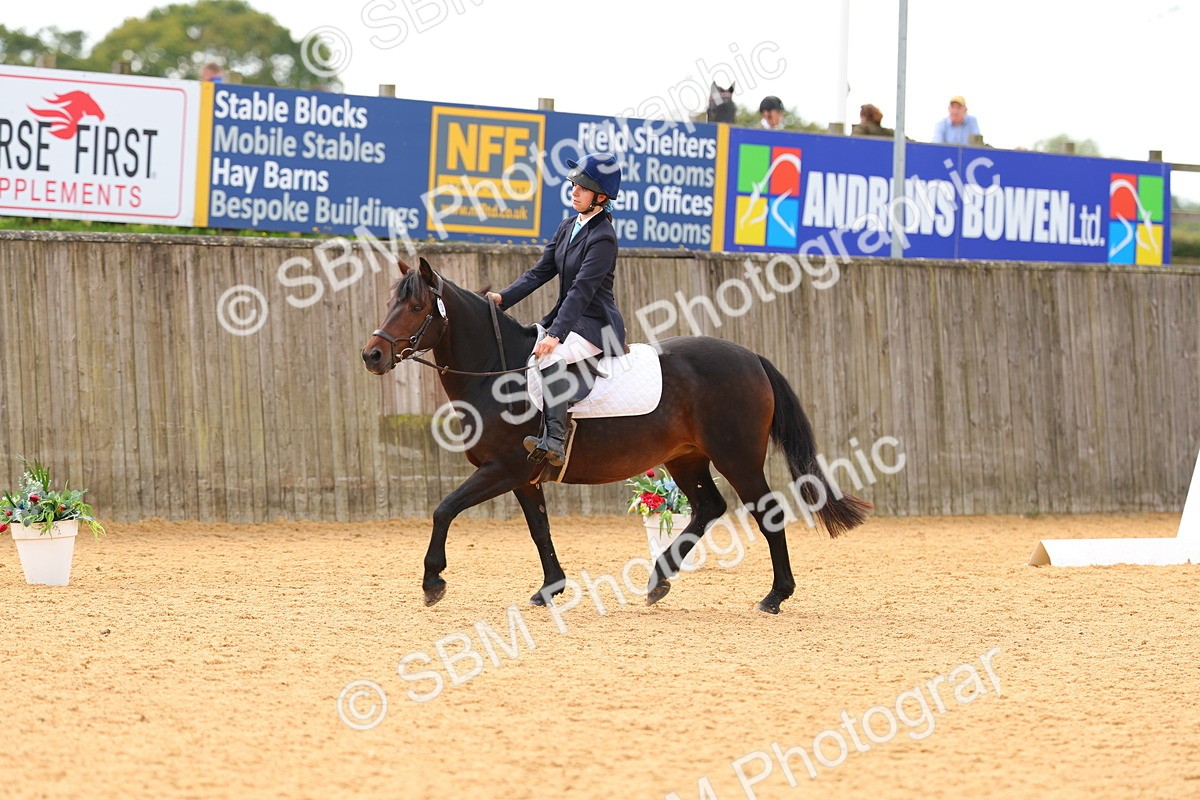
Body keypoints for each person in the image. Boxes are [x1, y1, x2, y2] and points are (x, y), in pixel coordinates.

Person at [486, 153, 626, 466]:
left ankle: (555, 440)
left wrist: (556, 335)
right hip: (571, 320)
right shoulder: (568, 226)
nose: (574, 190)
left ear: (600, 197)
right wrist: (503, 299)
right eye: (574, 184)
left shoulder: (603, 237)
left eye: (583, 187)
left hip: (596, 325)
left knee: (550, 356)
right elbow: (539, 272)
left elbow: (581, 292)